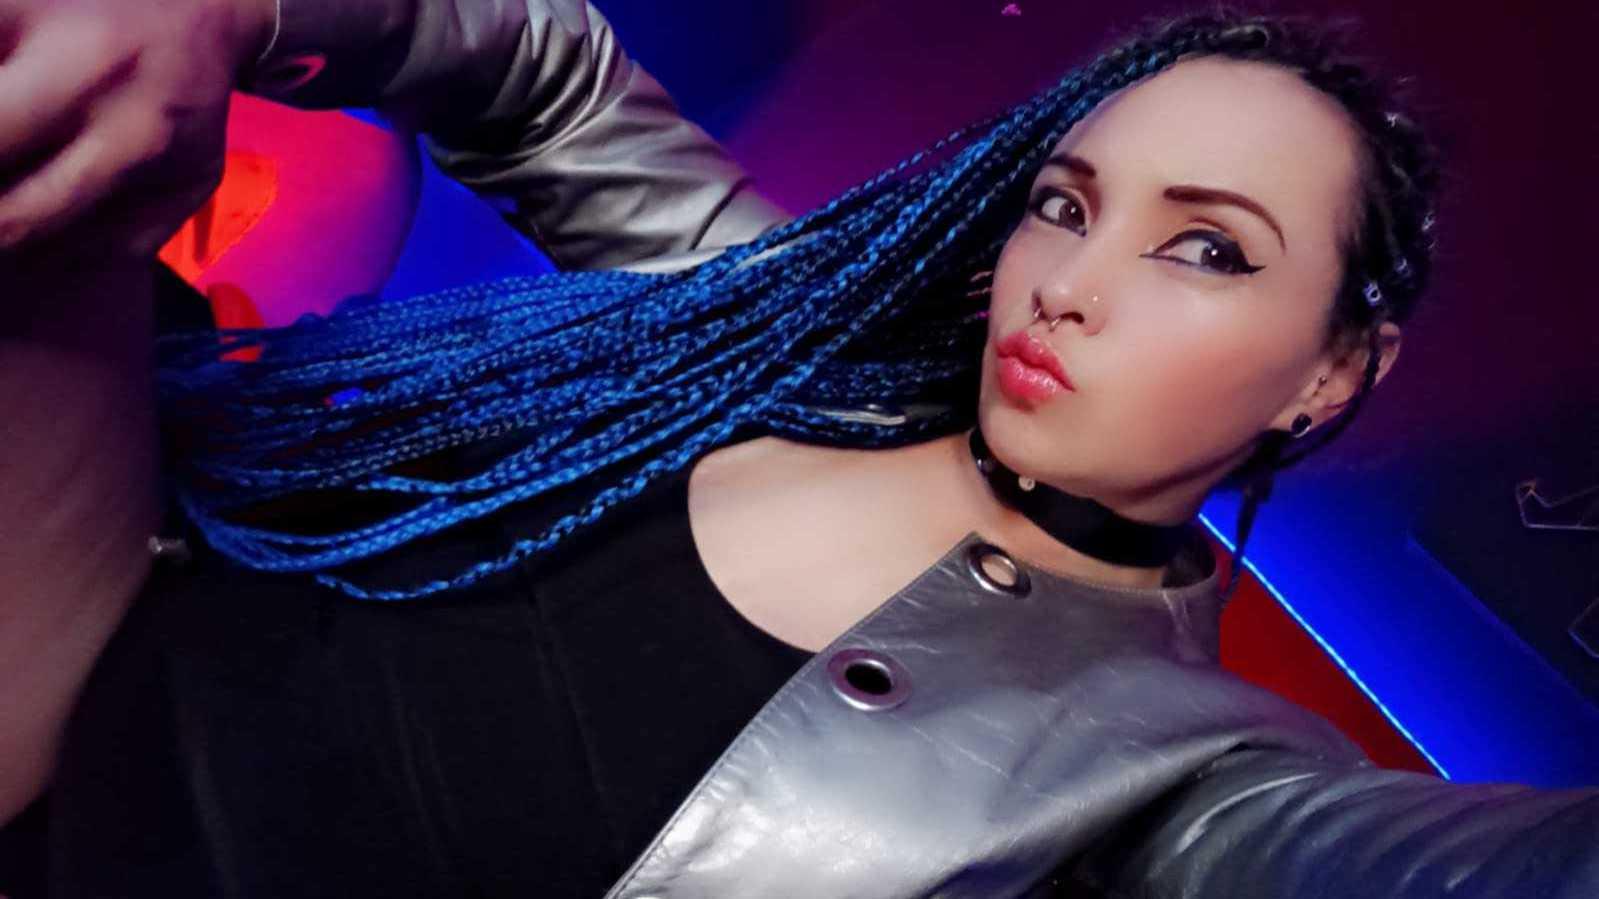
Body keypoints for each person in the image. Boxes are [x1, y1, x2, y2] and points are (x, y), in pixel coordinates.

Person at [0, 0, 1596, 896]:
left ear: (1330, 372)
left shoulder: (1188, 782)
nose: (1071, 283)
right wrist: (240, 12)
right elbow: (539, 75)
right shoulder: (791, 335)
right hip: (57, 656)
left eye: (1207, 249)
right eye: (1066, 203)